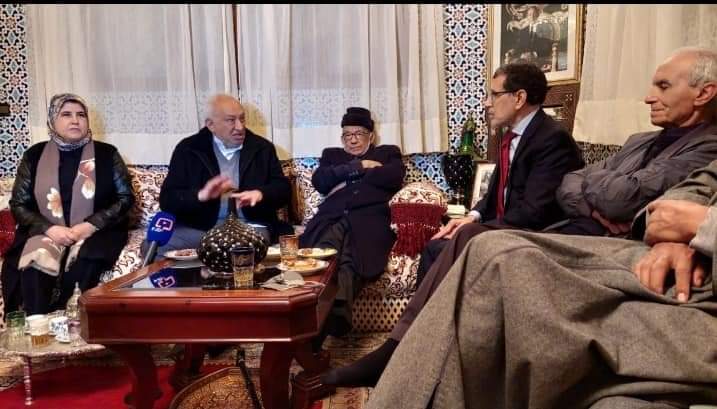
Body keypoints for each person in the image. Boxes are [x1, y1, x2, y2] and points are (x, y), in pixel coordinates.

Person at [323, 46, 717, 387]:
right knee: (444, 242)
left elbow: (599, 200)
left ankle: (403, 352)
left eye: (663, 86)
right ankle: (422, 351)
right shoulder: (638, 141)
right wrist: (475, 213)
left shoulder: (556, 137)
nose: (648, 97)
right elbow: (572, 185)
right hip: (571, 225)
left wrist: (600, 193)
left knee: (469, 241)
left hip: (583, 239)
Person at [366, 160, 717, 409]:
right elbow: (669, 200)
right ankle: (399, 355)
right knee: (481, 250)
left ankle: (396, 364)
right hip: (661, 260)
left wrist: (705, 227)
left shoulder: (699, 140)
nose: (649, 96)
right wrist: (676, 236)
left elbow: (619, 199)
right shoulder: (646, 141)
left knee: (496, 257)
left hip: (699, 298)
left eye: (663, 85)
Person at [1, 93, 134, 315]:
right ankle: (37, 324)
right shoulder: (34, 155)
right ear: (52, 121)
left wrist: (90, 225)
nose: (75, 120)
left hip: (97, 231)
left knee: (87, 258)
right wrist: (49, 229)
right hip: (45, 229)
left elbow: (125, 198)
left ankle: (71, 322)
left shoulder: (107, 154)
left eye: (81, 115)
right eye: (66, 114)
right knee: (36, 259)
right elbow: (19, 204)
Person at [300, 107, 405, 342]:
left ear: (371, 136)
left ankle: (320, 325)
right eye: (347, 135)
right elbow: (321, 180)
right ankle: (336, 310)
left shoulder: (388, 152)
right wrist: (360, 167)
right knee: (332, 249)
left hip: (371, 219)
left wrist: (343, 177)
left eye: (358, 133)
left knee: (345, 250)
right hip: (332, 217)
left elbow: (394, 176)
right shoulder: (331, 155)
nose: (353, 140)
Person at [154, 94, 292, 255]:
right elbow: (168, 200)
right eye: (231, 120)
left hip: (249, 228)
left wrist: (260, 194)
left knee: (243, 248)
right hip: (201, 229)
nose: (240, 127)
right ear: (210, 125)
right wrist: (200, 195)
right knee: (154, 247)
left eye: (242, 119)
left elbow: (283, 190)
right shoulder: (188, 149)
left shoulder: (262, 148)